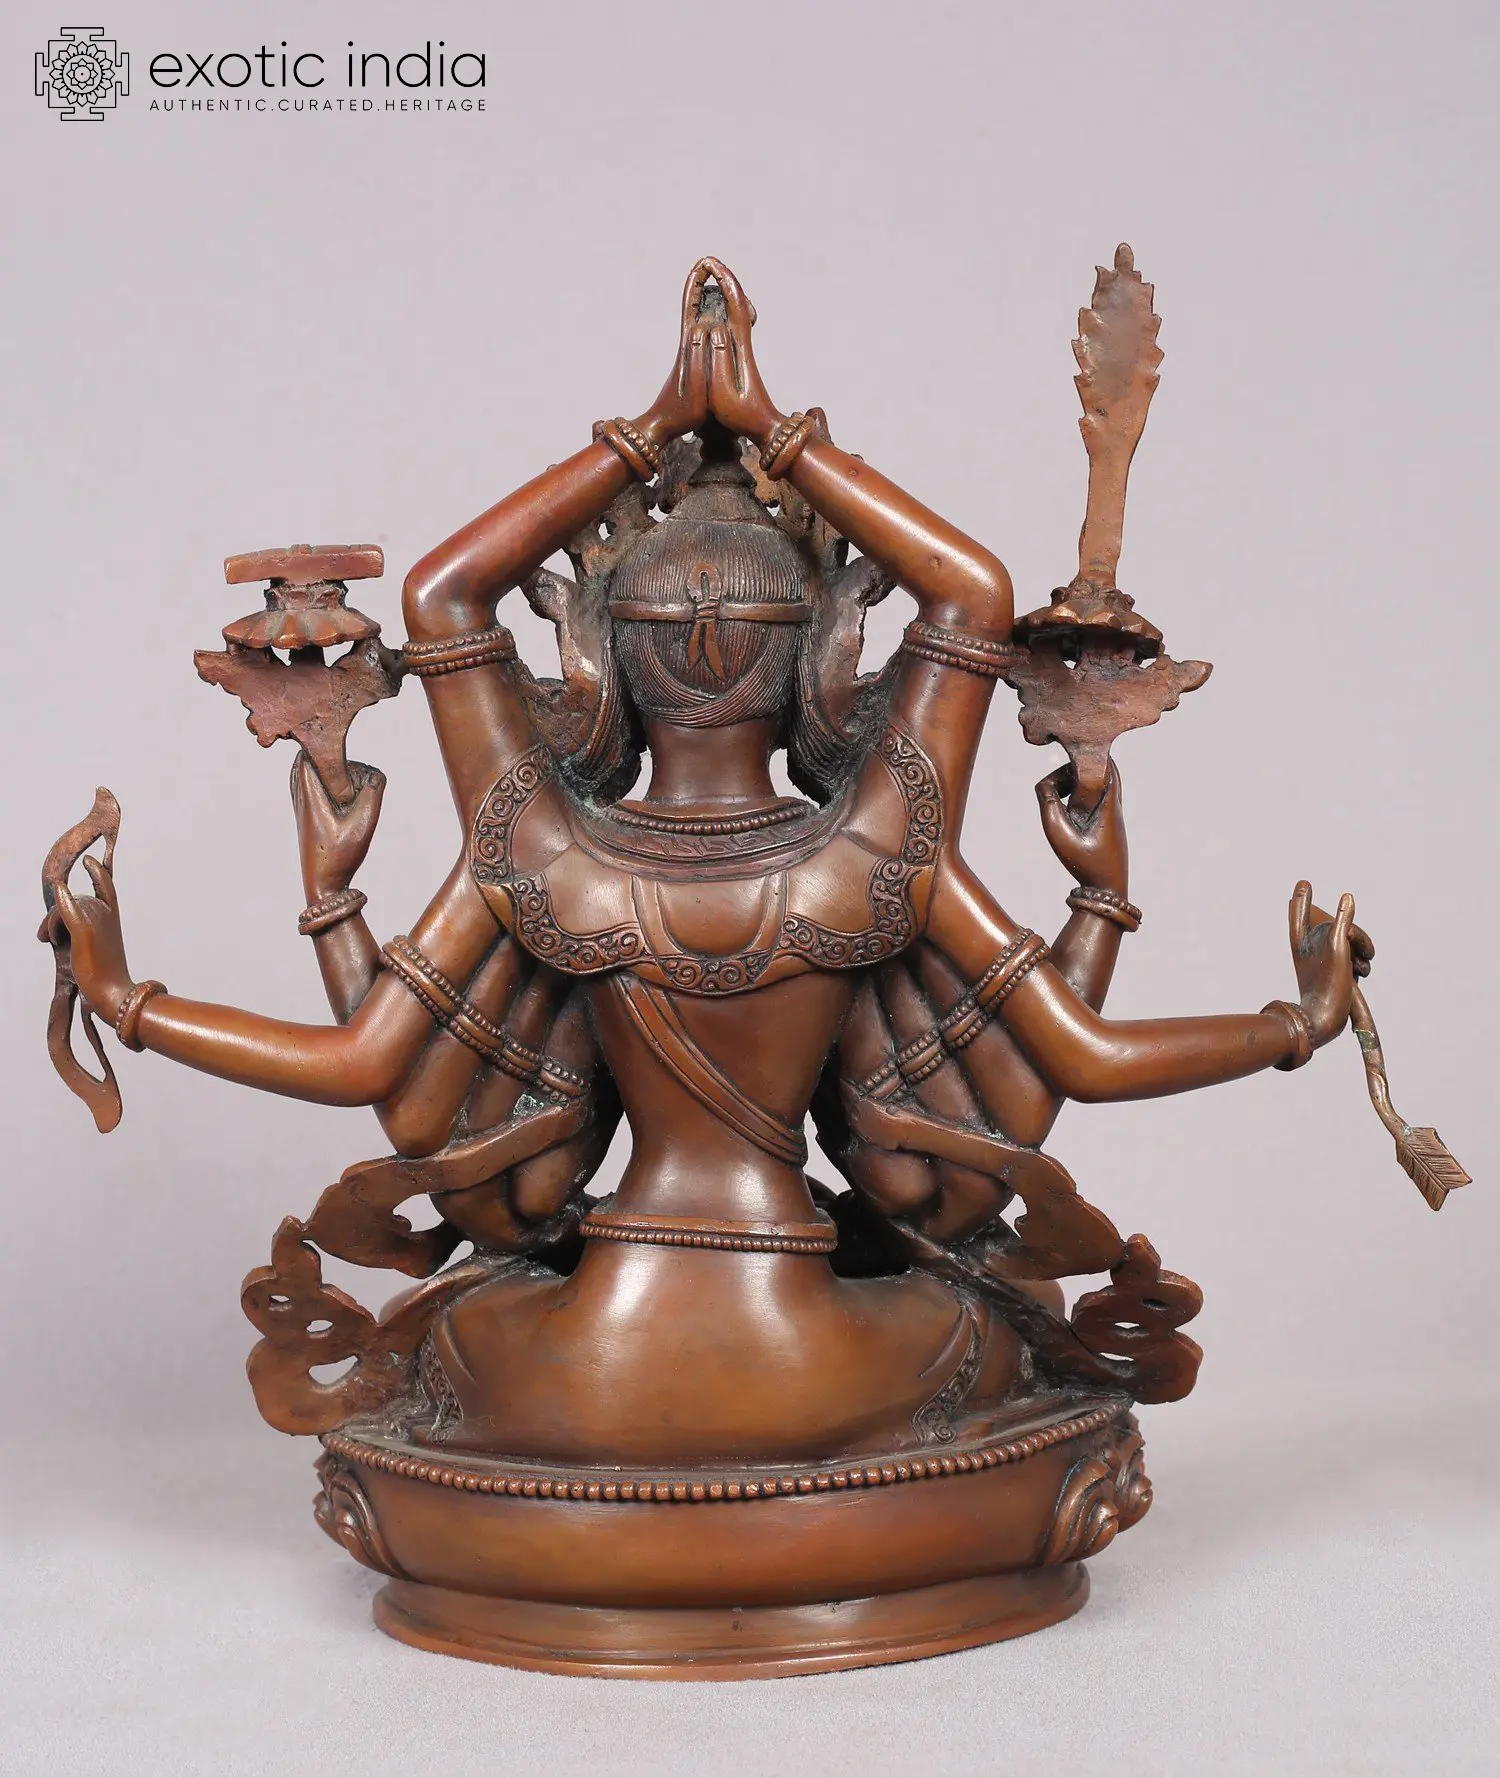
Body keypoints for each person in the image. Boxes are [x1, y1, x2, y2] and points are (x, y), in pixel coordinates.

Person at [53, 260, 1364, 1463]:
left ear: (599, 653)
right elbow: (1084, 1043)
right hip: (809, 1346)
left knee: (457, 1360)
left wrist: (127, 998)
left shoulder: (544, 852)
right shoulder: (877, 852)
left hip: (595, 1353)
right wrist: (1296, 1021)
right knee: (987, 1349)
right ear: (824, 652)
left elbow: (441, 611)